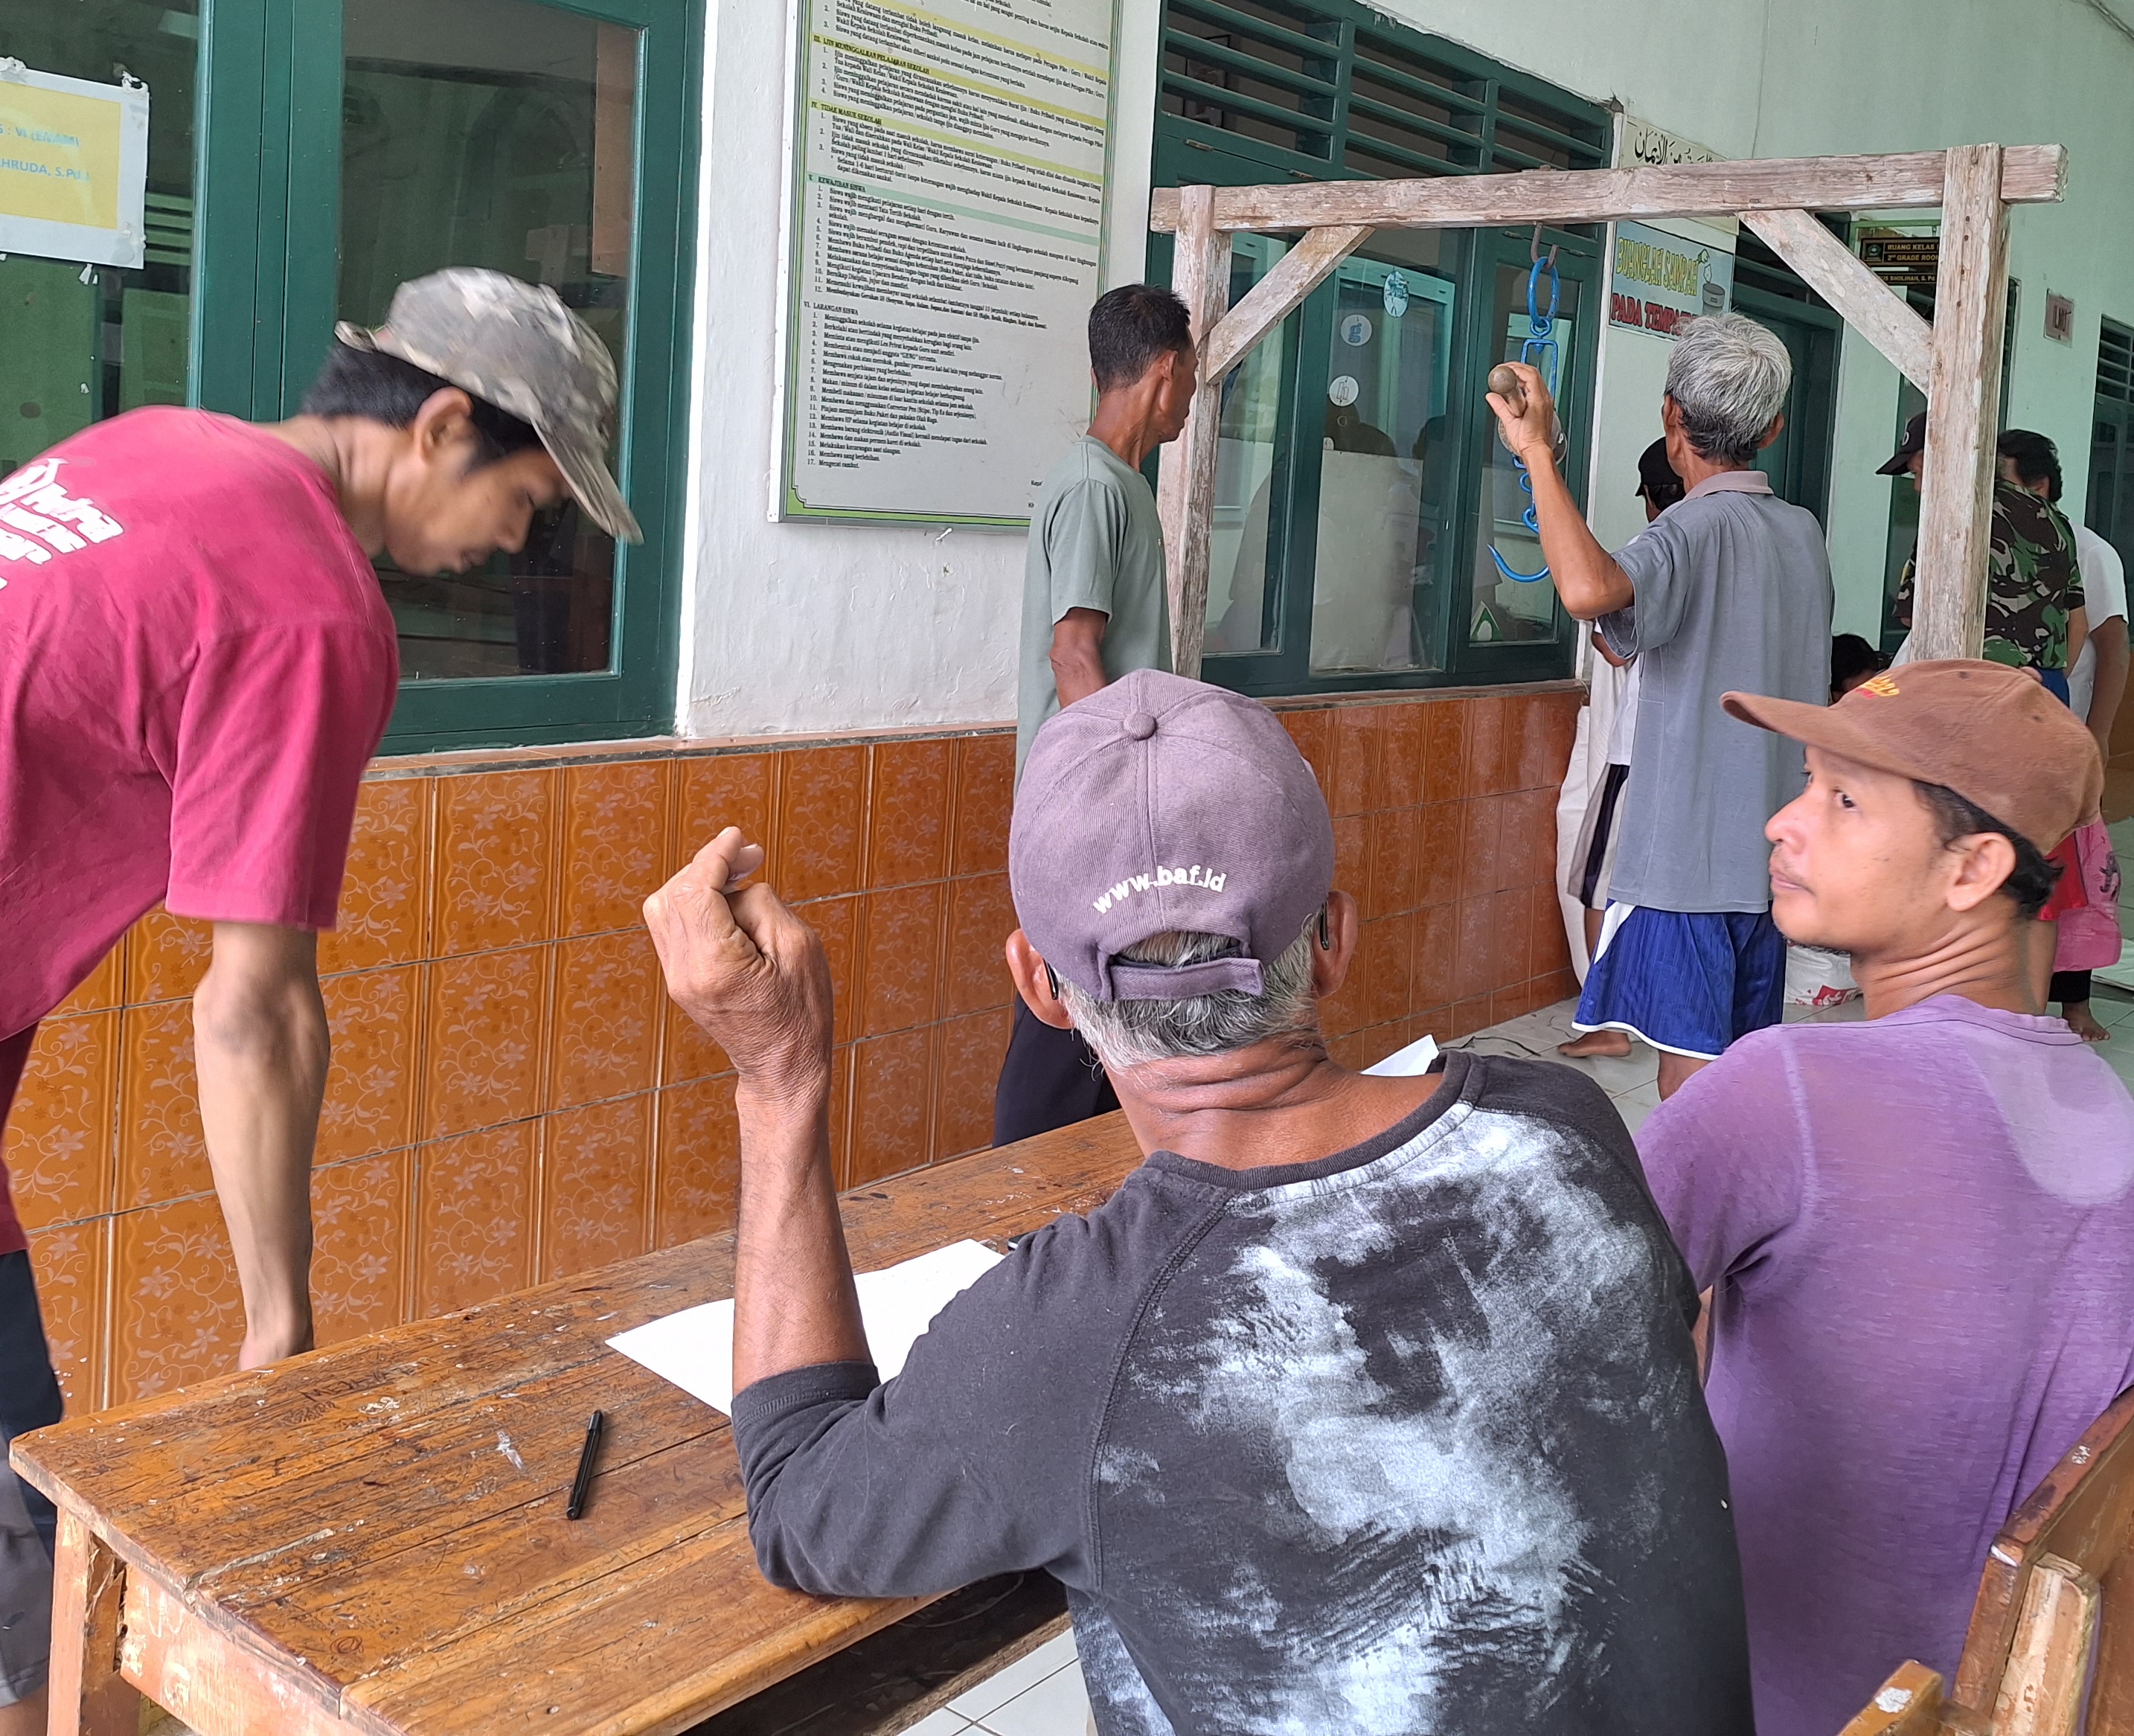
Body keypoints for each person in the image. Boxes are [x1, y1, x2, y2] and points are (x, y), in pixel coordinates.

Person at [0, 268, 636, 1733]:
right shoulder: (306, 607)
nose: (517, 541)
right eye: (531, 498)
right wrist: (279, 1326)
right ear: (437, 427)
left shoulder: (154, 446)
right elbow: (255, 1010)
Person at [645, 670, 1755, 1734]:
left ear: (1041, 986)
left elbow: (802, 1508)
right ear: (1331, 940)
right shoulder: (1560, 1122)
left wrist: (779, 1076)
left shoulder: (1077, 1332)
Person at [1635, 659, 2134, 1732]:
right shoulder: (2126, 1127)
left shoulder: (1789, 1088)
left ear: (1973, 867)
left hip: (1778, 1700)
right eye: (1805, 784)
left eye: (1842, 799)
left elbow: (1535, 1331)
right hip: (1984, 1701)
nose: (1785, 824)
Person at [1486, 316, 1837, 1101]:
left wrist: (1537, 453)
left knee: (1691, 1077)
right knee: (1741, 1067)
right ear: (1775, 429)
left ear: (1671, 417)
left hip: (1688, 865)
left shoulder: (1688, 527)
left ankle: (1693, 1223)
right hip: (1771, 856)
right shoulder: (1800, 533)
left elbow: (1588, 594)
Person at [994, 284, 1196, 1146]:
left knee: (1115, 1026)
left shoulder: (1116, 484)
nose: (1190, 394)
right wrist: (1127, 790)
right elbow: (1073, 653)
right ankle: (1013, 1214)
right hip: (1090, 804)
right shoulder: (1092, 488)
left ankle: (1087, 1221)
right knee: (1060, 1029)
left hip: (1101, 799)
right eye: (1190, 377)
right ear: (1165, 371)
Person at [1999, 429, 2128, 1041]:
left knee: (2066, 874)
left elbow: (2109, 643)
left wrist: (2095, 734)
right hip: (2011, 733)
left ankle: (2072, 1003)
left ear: (2039, 485)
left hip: (2058, 735)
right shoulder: (1989, 541)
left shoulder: (2086, 550)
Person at [1552, 441, 1686, 980]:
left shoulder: (1652, 551)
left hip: (1636, 751)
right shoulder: (1732, 542)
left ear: (1653, 497)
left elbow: (1617, 648)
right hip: (1693, 753)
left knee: (1599, 885)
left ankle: (1605, 1023)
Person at [1880, 408, 2085, 686]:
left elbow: (1913, 615)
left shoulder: (1954, 516)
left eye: (1920, 472)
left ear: (1947, 456)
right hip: (2044, 685)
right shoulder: (2057, 521)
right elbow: (2077, 619)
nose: (1917, 487)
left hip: (1975, 685)